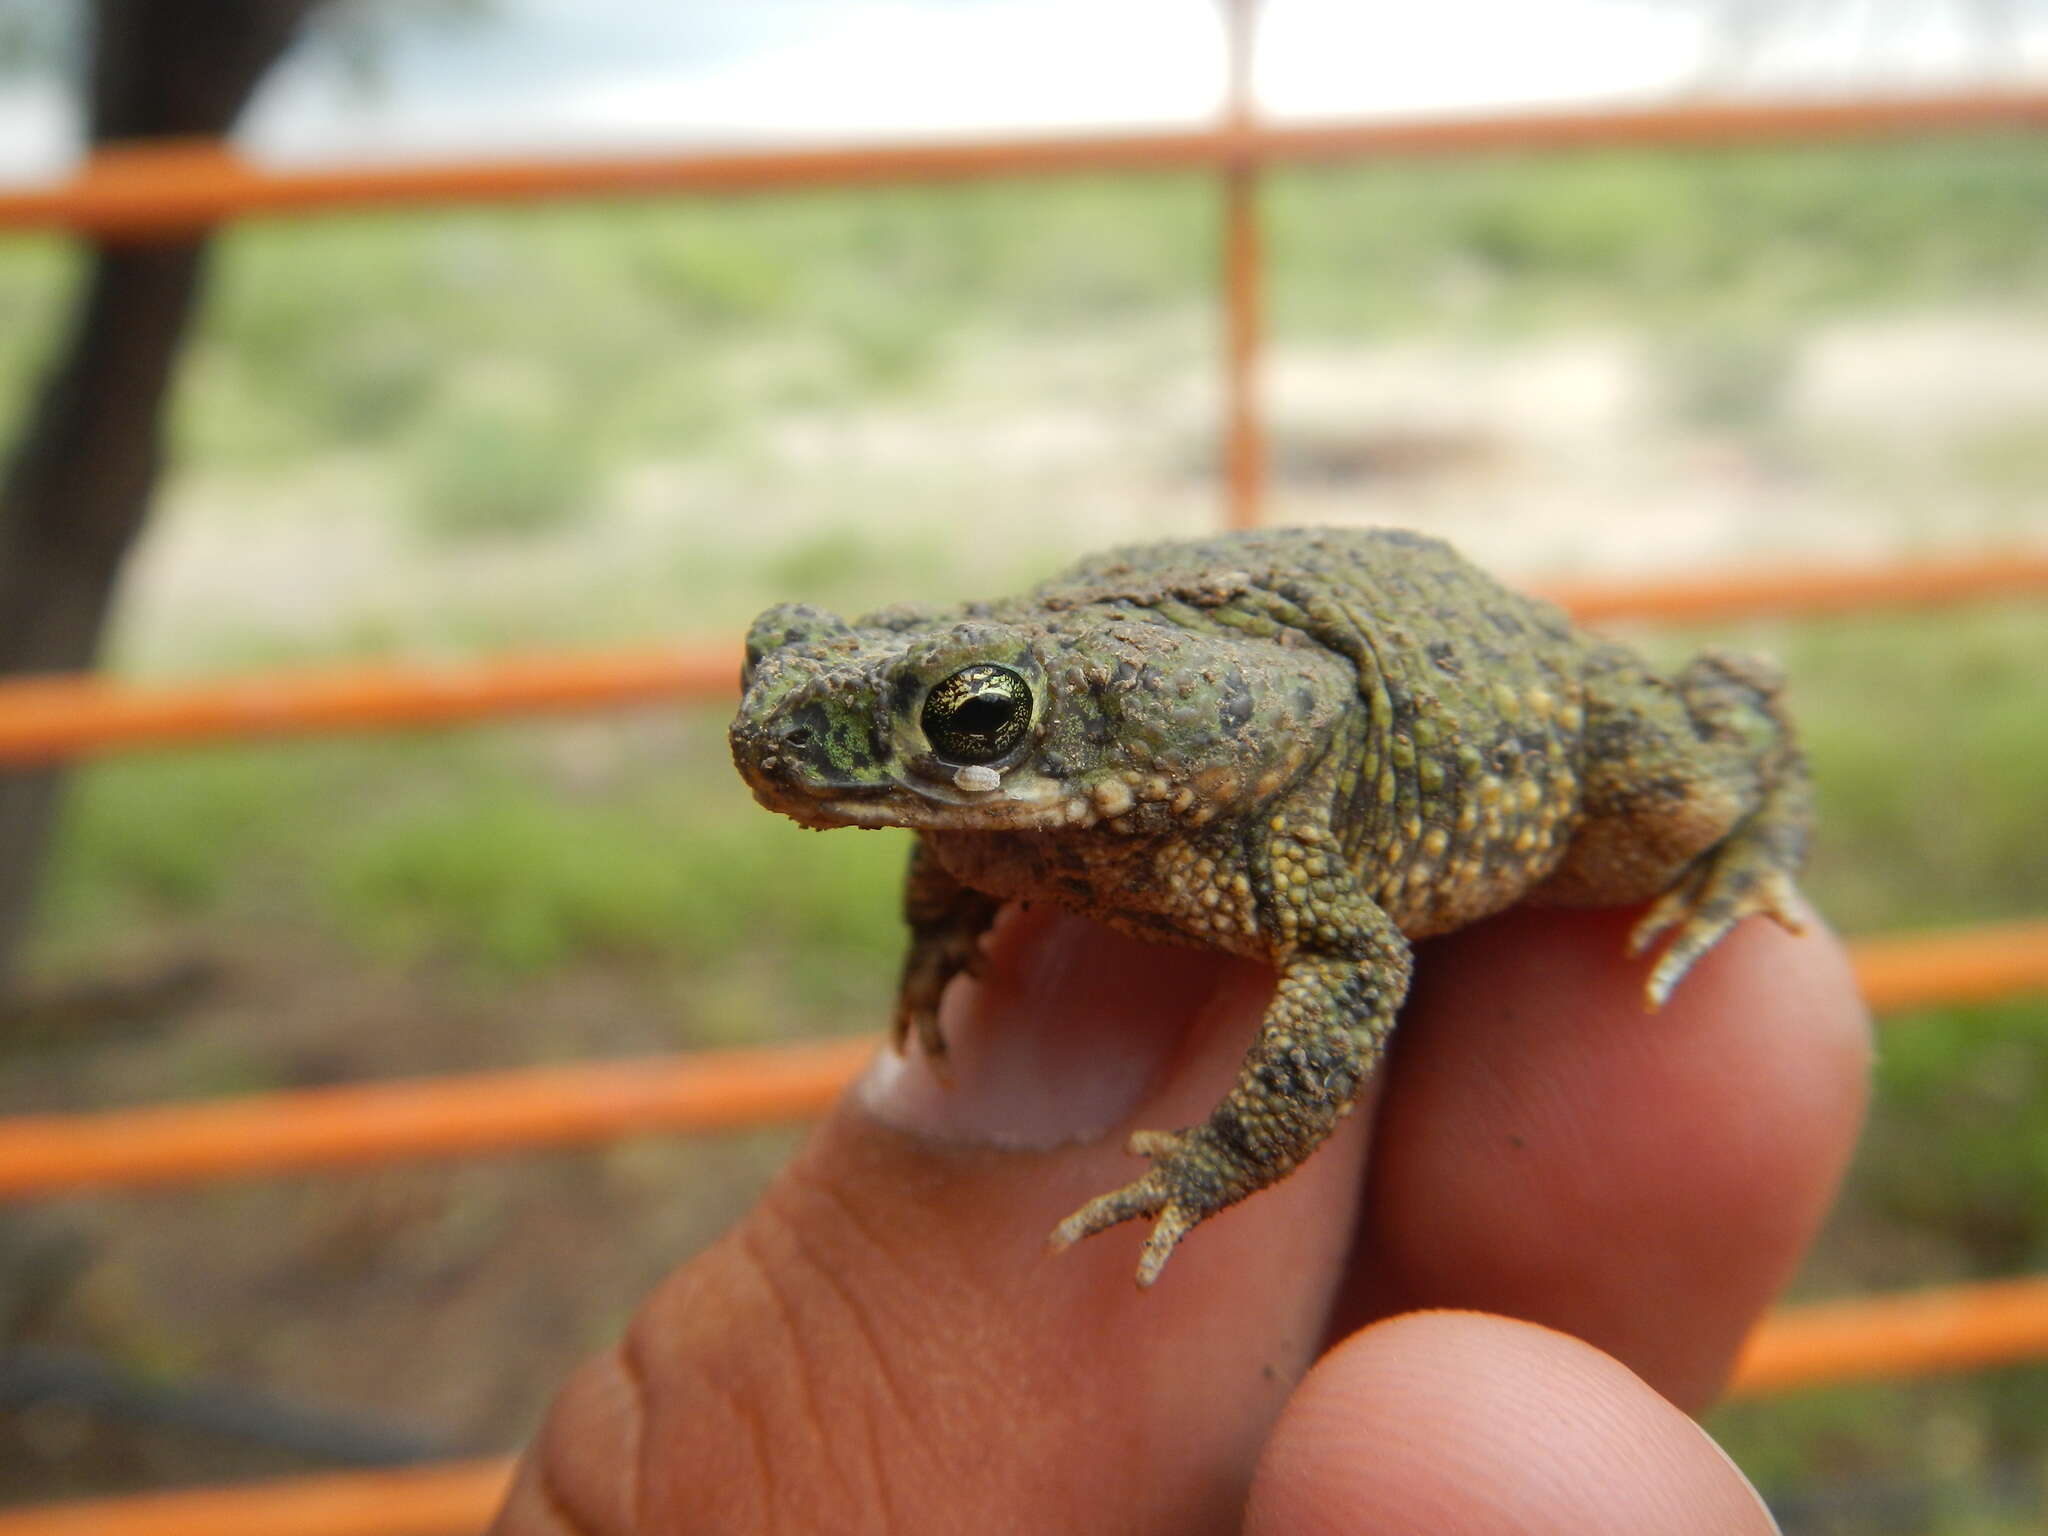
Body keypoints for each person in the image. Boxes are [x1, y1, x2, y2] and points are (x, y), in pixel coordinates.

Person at [490, 899, 1869, 1534]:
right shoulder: (1014, 815)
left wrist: (1213, 1163)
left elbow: (1353, 952)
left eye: (972, 723)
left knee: (1657, 811)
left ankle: (1743, 824)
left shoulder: (1228, 828)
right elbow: (968, 824)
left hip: (1464, 714)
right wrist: (941, 926)